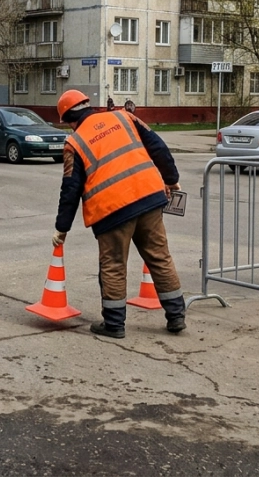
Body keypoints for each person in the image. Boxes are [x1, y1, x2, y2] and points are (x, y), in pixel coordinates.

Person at [52, 89, 187, 338]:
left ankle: (114, 324)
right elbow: (158, 147)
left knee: (113, 265)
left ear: (69, 120)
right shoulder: (125, 117)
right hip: (149, 198)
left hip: (111, 212)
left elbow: (70, 189)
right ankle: (176, 316)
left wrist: (62, 228)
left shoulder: (74, 143)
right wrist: (171, 179)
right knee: (160, 257)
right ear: (88, 106)